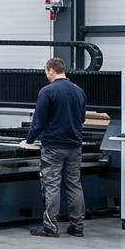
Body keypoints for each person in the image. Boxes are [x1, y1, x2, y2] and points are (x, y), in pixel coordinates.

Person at [19, 57, 88, 237]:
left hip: (53, 147)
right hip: (74, 145)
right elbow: (81, 119)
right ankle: (77, 226)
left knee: (52, 185)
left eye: (46, 72)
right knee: (74, 184)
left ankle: (50, 226)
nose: (46, 75)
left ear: (51, 70)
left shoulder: (47, 91)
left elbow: (38, 121)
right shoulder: (79, 91)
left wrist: (29, 140)